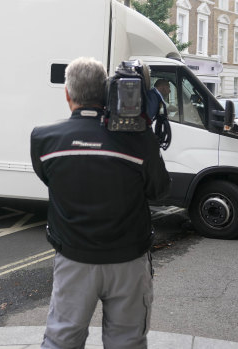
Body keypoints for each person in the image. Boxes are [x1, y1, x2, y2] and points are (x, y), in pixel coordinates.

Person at [30, 57, 171, 349]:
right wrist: (145, 132)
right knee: (127, 343)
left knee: (62, 340)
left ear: (68, 94)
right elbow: (159, 191)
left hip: (74, 261)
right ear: (107, 92)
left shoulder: (44, 139)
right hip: (129, 262)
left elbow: (50, 180)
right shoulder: (139, 140)